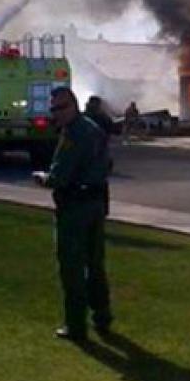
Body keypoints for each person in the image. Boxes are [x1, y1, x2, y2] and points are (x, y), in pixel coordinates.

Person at [33, 87, 112, 342]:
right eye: (53, 109)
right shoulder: (93, 128)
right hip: (96, 203)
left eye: (60, 108)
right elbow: (108, 164)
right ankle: (102, 315)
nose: (57, 114)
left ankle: (76, 325)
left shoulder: (73, 135)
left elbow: (59, 177)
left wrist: (43, 178)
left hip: (75, 207)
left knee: (72, 268)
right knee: (95, 264)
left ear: (73, 105)